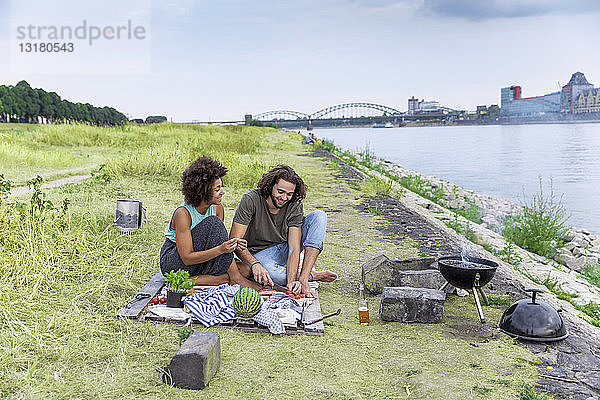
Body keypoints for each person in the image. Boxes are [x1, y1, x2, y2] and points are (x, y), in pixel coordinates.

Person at [230, 165, 337, 297]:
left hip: (284, 246)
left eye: (289, 194)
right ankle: (312, 275)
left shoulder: (294, 204)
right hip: (259, 253)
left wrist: (292, 283)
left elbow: (294, 248)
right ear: (270, 186)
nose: (284, 198)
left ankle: (303, 279)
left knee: (319, 216)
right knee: (272, 276)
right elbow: (234, 241)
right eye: (280, 192)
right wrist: (254, 264)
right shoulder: (251, 199)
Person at [159, 156, 259, 290]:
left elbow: (217, 240)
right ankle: (235, 279)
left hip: (200, 258)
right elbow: (187, 258)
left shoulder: (217, 207)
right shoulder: (183, 214)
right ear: (203, 191)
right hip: (175, 261)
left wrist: (233, 245)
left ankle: (187, 280)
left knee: (246, 269)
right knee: (214, 223)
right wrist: (222, 249)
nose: (222, 192)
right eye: (217, 189)